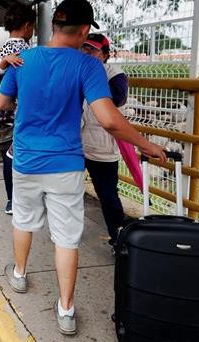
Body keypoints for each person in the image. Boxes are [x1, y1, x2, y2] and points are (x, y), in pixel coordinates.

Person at [0, 0, 165, 335]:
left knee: (24, 220)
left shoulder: (23, 60)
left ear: (54, 26)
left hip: (26, 159)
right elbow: (109, 120)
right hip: (65, 165)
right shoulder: (88, 66)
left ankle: (19, 274)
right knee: (66, 238)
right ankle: (66, 310)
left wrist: (17, 84)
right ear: (85, 30)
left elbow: (0, 102)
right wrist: (148, 145)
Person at [0, 2, 36, 215]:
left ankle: (11, 201)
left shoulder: (4, 48)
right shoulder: (26, 50)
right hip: (23, 111)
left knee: (8, 154)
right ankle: (24, 200)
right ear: (26, 26)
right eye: (32, 27)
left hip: (4, 112)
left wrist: (3, 60)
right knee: (23, 155)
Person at [80, 33, 130, 249]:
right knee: (69, 190)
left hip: (102, 146)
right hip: (76, 142)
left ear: (106, 54)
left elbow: (118, 99)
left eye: (92, 50)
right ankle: (68, 233)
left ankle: (118, 239)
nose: (86, 53)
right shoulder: (78, 71)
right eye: (84, 49)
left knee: (108, 195)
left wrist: (93, 75)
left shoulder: (115, 75)